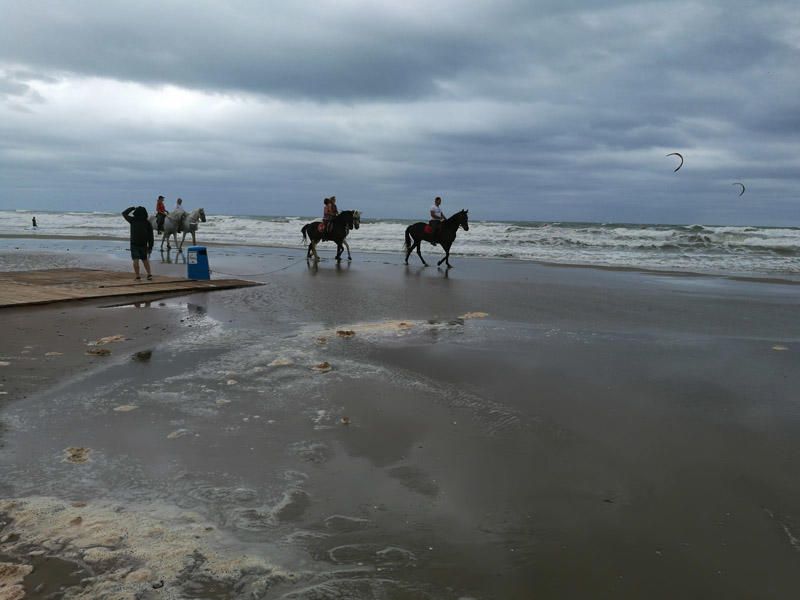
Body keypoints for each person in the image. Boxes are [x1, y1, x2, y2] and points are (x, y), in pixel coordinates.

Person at [122, 206, 154, 280]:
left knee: (135, 260)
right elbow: (151, 237)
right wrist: (150, 247)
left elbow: (124, 213)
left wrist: (132, 208)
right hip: (143, 245)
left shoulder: (132, 220)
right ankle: (149, 275)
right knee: (145, 260)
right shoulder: (147, 223)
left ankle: (137, 276)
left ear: (136, 213)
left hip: (134, 244)